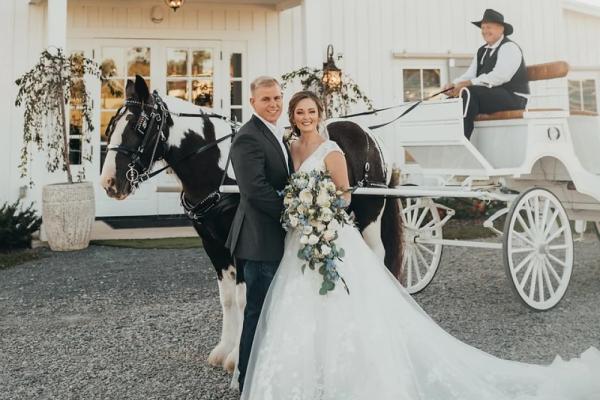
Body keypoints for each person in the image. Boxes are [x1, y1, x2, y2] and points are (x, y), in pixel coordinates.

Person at [239, 91, 600, 399]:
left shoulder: (331, 150)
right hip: (299, 239)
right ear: (293, 116)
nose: (305, 117)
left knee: (341, 305)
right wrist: (302, 206)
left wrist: (319, 207)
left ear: (320, 115)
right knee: (298, 305)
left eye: (311, 112)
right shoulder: (291, 148)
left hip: (328, 230)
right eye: (300, 112)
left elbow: (346, 197)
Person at [225, 76, 293, 391]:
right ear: (252, 102)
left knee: (274, 310)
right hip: (258, 239)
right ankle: (247, 379)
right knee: (258, 311)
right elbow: (255, 191)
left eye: (277, 98)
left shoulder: (275, 133)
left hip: (273, 238)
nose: (274, 104)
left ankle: (266, 373)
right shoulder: (248, 137)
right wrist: (293, 214)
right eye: (266, 99)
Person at [446, 9, 530, 139]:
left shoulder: (509, 47)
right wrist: (453, 85)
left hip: (514, 98)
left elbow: (501, 75)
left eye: (488, 27)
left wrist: (469, 84)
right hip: (494, 94)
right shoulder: (482, 51)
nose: (485, 31)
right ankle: (451, 139)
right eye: (483, 28)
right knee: (453, 99)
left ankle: (463, 140)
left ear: (501, 29)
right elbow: (470, 75)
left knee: (469, 93)